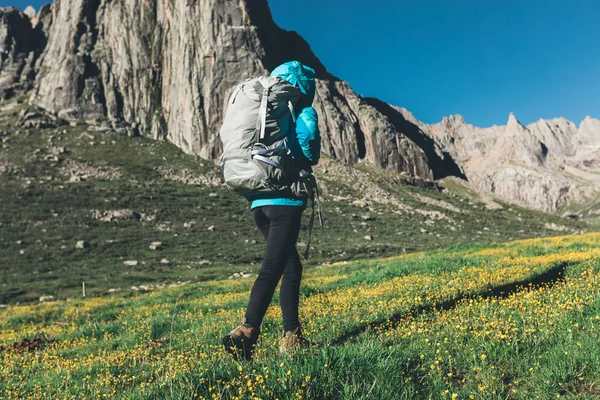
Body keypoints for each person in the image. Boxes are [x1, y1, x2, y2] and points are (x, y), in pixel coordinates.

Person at [222, 61, 321, 361]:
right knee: (273, 267)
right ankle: (247, 330)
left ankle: (292, 336)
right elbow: (309, 145)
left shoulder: (266, 101)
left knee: (291, 266)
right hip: (285, 203)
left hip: (258, 203)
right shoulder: (299, 108)